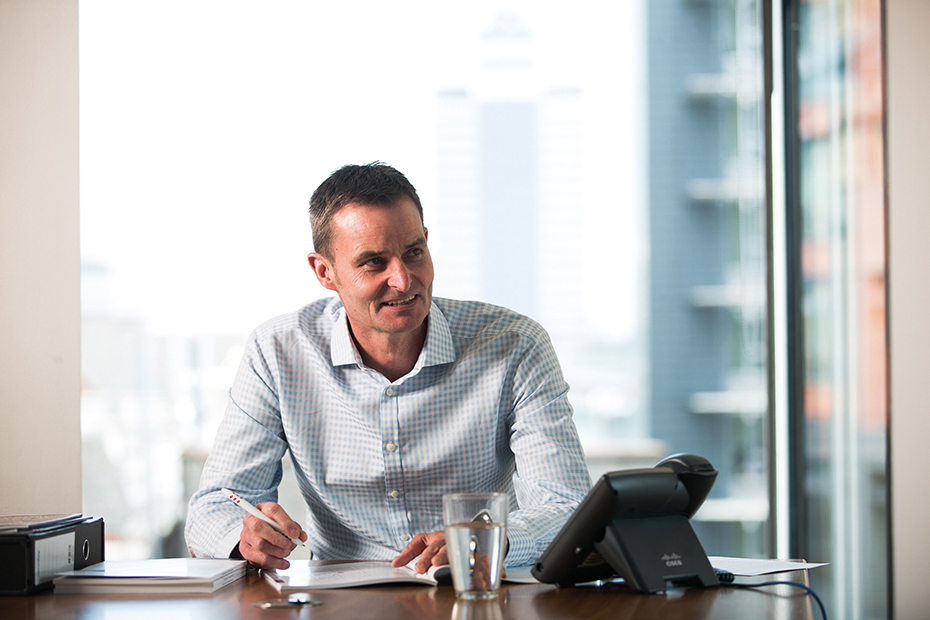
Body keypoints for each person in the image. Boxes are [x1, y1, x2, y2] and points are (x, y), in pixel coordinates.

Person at [184, 162, 591, 573]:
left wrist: (484, 541)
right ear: (324, 272)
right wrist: (245, 535)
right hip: (340, 603)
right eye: (374, 263)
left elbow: (567, 507)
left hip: (473, 590)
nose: (403, 279)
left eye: (414, 252)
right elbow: (214, 507)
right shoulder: (277, 351)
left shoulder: (516, 344)